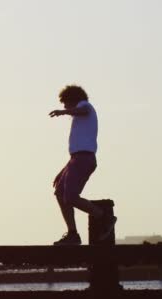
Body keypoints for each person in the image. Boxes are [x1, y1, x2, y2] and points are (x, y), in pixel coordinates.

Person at [49, 85, 116, 245]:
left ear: (73, 100)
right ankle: (73, 234)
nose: (65, 106)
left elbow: (83, 111)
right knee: (60, 192)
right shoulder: (79, 113)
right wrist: (64, 170)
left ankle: (104, 217)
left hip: (83, 159)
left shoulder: (85, 106)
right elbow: (77, 149)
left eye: (66, 103)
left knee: (70, 196)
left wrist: (63, 112)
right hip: (76, 158)